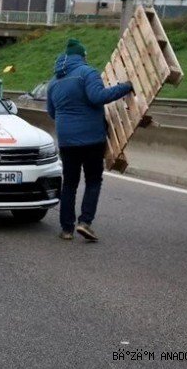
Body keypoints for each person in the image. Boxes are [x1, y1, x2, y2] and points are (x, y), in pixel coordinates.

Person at [46, 38, 133, 241]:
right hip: (92, 139)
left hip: (67, 141)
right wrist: (125, 87)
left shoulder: (53, 81)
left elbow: (52, 112)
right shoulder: (87, 73)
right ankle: (85, 222)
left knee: (70, 184)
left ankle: (66, 229)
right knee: (93, 180)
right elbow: (98, 97)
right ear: (82, 56)